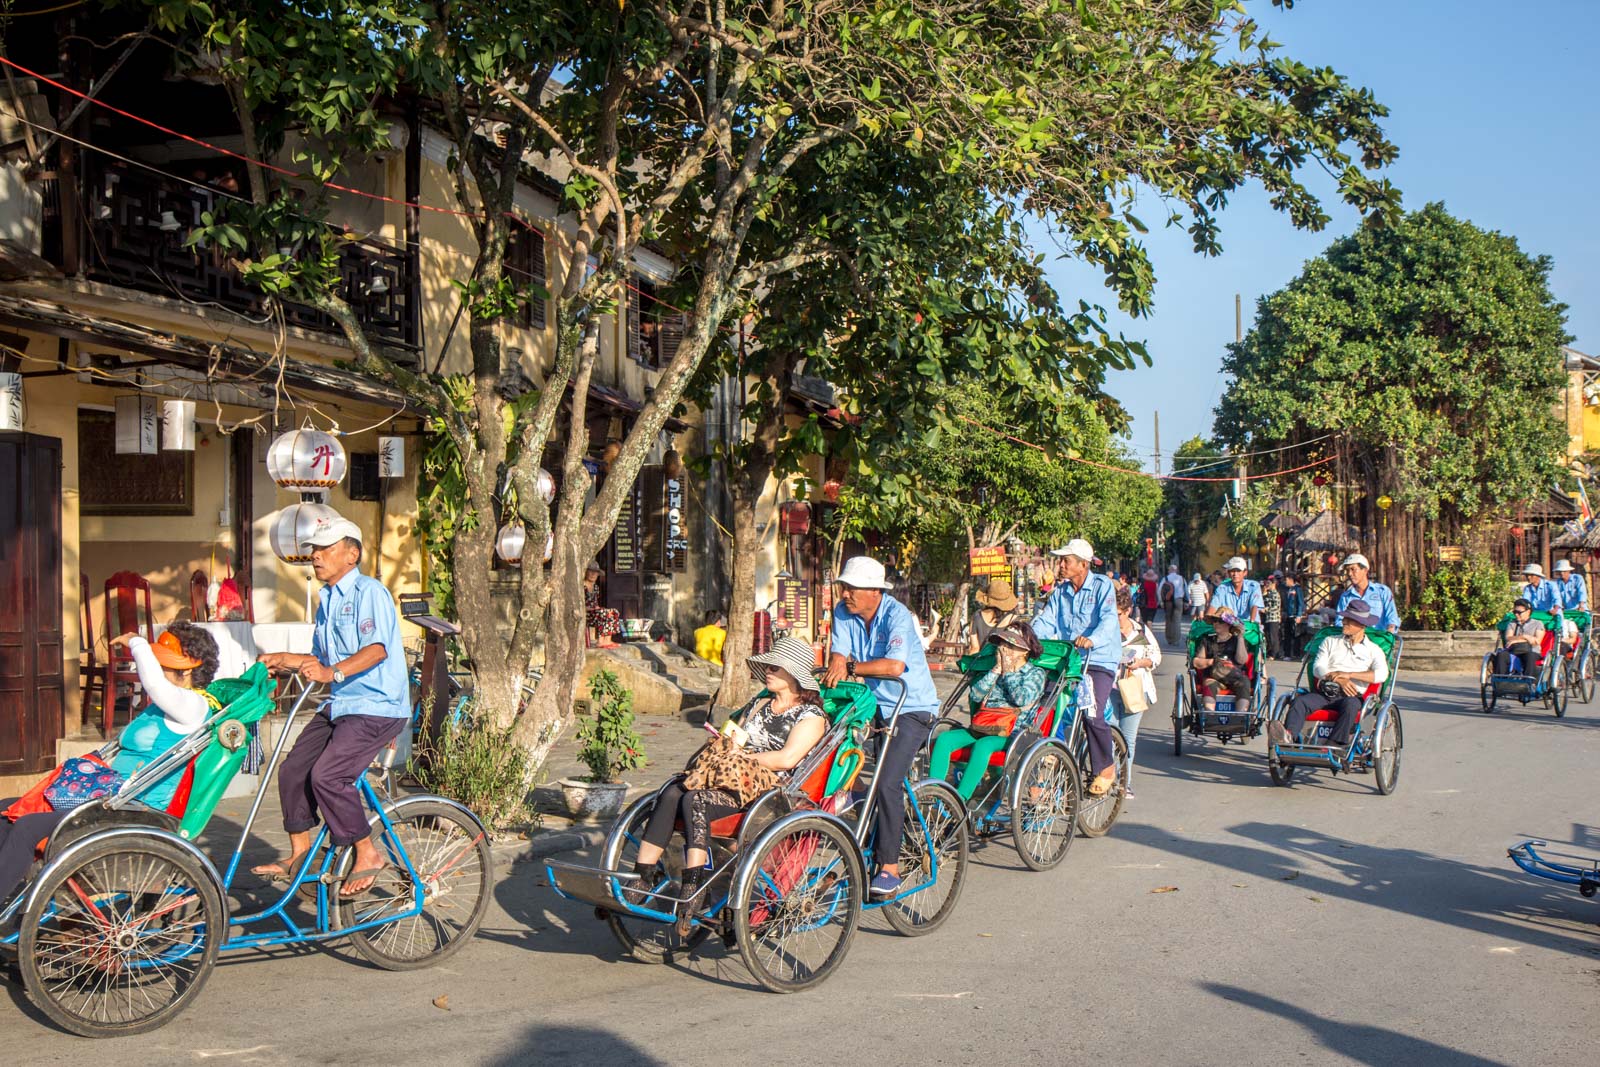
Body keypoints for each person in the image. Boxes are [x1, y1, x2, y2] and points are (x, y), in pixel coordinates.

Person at [0, 625, 220, 904]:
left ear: (187, 669)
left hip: (133, 811)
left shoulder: (192, 706)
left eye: (161, 662)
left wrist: (137, 644)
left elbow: (154, 684)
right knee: (7, 809)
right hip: (108, 801)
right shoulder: (166, 706)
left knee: (27, 828)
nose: (154, 666)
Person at [252, 518, 411, 898]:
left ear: (351, 554)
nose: (316, 556)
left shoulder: (368, 591)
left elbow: (376, 650)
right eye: (314, 550)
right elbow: (319, 657)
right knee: (292, 769)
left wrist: (330, 672)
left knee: (328, 776)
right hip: (342, 704)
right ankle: (301, 855)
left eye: (325, 549)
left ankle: (366, 851)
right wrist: (281, 659)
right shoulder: (327, 599)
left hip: (377, 705)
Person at [633, 636, 827, 934]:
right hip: (730, 777)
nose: (769, 671)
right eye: (769, 666)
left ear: (795, 675)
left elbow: (787, 759)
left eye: (776, 667)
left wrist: (745, 757)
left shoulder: (810, 717)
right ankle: (642, 876)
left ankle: (693, 884)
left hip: (768, 790)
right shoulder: (760, 703)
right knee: (673, 790)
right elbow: (734, 735)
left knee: (693, 800)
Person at [823, 556, 941, 898]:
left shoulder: (897, 616)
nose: (846, 594)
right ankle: (861, 837)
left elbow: (894, 665)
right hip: (870, 705)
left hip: (911, 707)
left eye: (853, 588)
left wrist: (853, 666)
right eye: (844, 587)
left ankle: (889, 865)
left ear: (875, 591)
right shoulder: (843, 612)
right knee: (840, 768)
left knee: (887, 782)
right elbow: (838, 654)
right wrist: (837, 663)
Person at [1030, 538, 1121, 797]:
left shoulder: (1102, 586)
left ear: (1082, 565)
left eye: (1065, 560)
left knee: (1092, 711)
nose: (1060, 564)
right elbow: (1046, 621)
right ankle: (1054, 750)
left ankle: (1105, 767)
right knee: (1046, 703)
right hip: (1070, 659)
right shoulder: (1060, 592)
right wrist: (1028, 637)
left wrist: (1092, 639)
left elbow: (1108, 621)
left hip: (1099, 659)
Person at [929, 623, 1046, 802]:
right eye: (1002, 644)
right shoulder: (995, 667)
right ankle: (933, 794)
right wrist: (995, 671)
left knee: (983, 745)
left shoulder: (1035, 674)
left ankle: (960, 800)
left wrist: (1008, 672)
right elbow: (975, 695)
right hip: (984, 726)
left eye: (1010, 646)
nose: (1003, 649)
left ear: (1024, 651)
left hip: (1013, 732)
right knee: (945, 739)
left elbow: (1021, 699)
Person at [1270, 600, 1387, 747]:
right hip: (1325, 692)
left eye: (1349, 620)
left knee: (1350, 706)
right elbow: (1318, 667)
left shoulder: (1373, 650)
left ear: (1362, 625)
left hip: (1351, 696)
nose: (1344, 622)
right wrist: (1337, 679)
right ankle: (1288, 738)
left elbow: (1381, 674)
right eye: (1345, 618)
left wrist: (1349, 675)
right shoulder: (1330, 641)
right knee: (1300, 702)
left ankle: (1334, 744)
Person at [1108, 585, 1160, 798]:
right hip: (1109, 689)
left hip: (1134, 689)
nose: (1115, 618)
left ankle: (1124, 783)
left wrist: (1140, 662)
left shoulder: (1141, 631)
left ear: (1127, 611)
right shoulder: (1107, 631)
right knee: (1109, 737)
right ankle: (1108, 779)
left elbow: (1155, 656)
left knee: (1128, 739)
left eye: (1118, 614)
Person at [1191, 609, 1252, 718]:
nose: (1216, 623)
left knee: (1245, 683)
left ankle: (1240, 717)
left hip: (1235, 677)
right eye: (1214, 621)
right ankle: (1210, 715)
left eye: (1220, 621)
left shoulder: (1236, 640)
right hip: (1214, 676)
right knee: (1209, 684)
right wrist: (1212, 661)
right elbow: (1196, 661)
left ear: (1228, 624)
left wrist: (1240, 637)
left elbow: (1242, 660)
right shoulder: (1207, 640)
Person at [1335, 553, 1401, 632]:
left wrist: (1390, 630)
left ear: (1365, 570)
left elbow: (1392, 616)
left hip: (1378, 639)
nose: (1349, 574)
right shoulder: (1346, 597)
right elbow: (1339, 621)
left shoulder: (1382, 591)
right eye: (1347, 570)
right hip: (1353, 641)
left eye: (1353, 569)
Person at [1491, 597, 1546, 677]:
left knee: (1529, 656)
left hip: (1531, 650)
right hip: (1513, 650)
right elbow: (1508, 638)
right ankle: (1500, 681)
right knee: (1501, 655)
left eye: (1519, 612)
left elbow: (1536, 641)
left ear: (1528, 612)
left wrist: (1520, 638)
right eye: (1515, 612)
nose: (1516, 614)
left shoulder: (1538, 624)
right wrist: (1527, 638)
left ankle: (1528, 681)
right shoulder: (1512, 623)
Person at [968, 576, 1021, 653]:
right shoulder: (1013, 620)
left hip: (983, 662)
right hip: (1004, 663)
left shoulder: (977, 616)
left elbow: (974, 648)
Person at [1209, 557, 1264, 622]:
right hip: (1229, 627)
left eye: (1238, 570)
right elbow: (1213, 607)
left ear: (1245, 572)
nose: (1235, 574)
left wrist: (1252, 621)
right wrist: (1209, 618)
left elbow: (1254, 606)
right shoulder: (1222, 588)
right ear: (1229, 573)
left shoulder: (1253, 586)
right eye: (1232, 571)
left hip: (1249, 626)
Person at [584, 564, 623, 647]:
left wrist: (597, 608)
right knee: (602, 613)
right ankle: (600, 641)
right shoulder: (581, 586)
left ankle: (608, 640)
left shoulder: (596, 588)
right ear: (586, 572)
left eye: (596, 573)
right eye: (591, 572)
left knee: (613, 612)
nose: (593, 575)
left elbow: (595, 602)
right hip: (585, 613)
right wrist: (592, 608)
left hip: (595, 612)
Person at [1281, 573, 1306, 660]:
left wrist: (1299, 615)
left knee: (1296, 635)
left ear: (1291, 580)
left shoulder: (1297, 589)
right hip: (1288, 614)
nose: (1285, 582)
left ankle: (1296, 654)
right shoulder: (1288, 589)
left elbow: (1300, 602)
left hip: (1295, 615)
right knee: (1287, 635)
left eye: (1287, 580)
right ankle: (1287, 654)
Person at [1262, 575, 1283, 660]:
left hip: (1274, 618)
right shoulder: (1268, 593)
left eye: (1269, 583)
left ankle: (1275, 653)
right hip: (1268, 617)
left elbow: (1276, 606)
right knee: (1268, 636)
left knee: (1273, 636)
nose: (1267, 585)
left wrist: (1266, 609)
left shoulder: (1275, 593)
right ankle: (1270, 651)